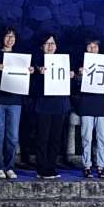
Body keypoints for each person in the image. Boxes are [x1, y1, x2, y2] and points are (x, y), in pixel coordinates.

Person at [33, 32, 73, 179]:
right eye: (47, 43)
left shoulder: (63, 61)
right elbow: (32, 87)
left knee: (56, 138)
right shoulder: (37, 62)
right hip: (43, 104)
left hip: (60, 104)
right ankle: (41, 168)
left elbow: (69, 83)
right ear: (42, 46)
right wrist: (38, 73)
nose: (50, 46)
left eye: (53, 43)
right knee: (42, 137)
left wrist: (71, 75)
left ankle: (51, 166)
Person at [0, 26, 26, 179]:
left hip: (15, 100)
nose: (10, 39)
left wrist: (29, 70)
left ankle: (10, 166)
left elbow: (26, 78)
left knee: (12, 136)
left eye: (13, 36)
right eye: (7, 36)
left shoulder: (21, 57)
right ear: (2, 37)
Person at [76, 37, 104, 179]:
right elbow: (76, 84)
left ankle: (101, 166)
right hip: (86, 103)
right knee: (86, 137)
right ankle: (87, 166)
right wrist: (79, 74)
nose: (92, 49)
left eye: (95, 46)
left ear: (99, 48)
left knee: (102, 137)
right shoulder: (81, 63)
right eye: (89, 46)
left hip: (101, 104)